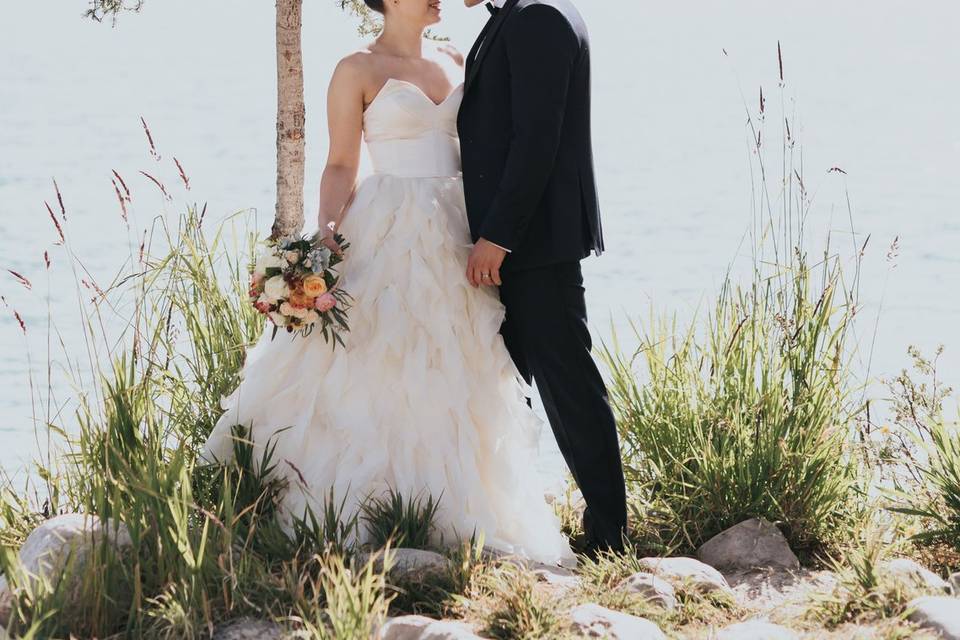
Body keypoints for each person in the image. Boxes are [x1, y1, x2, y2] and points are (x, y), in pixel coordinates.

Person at [200, 0, 576, 567]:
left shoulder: (458, 58)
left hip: (457, 228)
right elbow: (341, 164)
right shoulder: (356, 68)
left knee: (456, 362)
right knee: (376, 358)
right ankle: (362, 506)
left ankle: (454, 506)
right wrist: (325, 230)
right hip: (385, 225)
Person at [457, 0, 628, 555]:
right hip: (524, 244)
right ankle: (512, 515)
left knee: (569, 385)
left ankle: (610, 534)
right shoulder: (520, 15)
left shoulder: (539, 17)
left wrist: (499, 236)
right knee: (511, 383)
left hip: (536, 245)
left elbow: (537, 139)